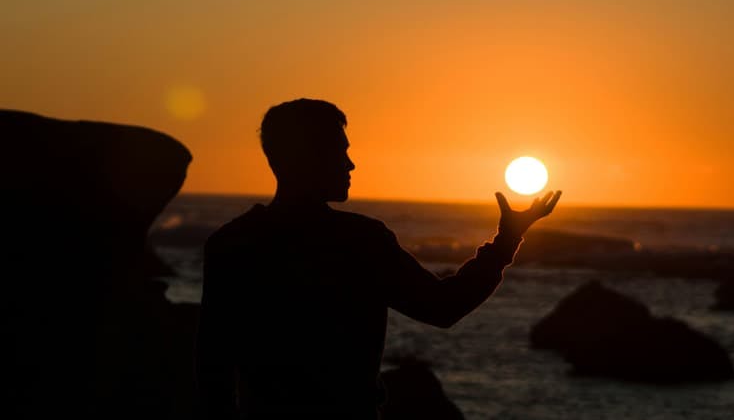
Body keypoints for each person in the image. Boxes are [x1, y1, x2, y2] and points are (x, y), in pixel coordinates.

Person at [195, 98, 561, 419]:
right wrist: (508, 239)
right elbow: (443, 307)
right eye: (340, 152)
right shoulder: (358, 240)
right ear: (307, 158)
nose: (350, 164)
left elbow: (212, 368)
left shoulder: (231, 243)